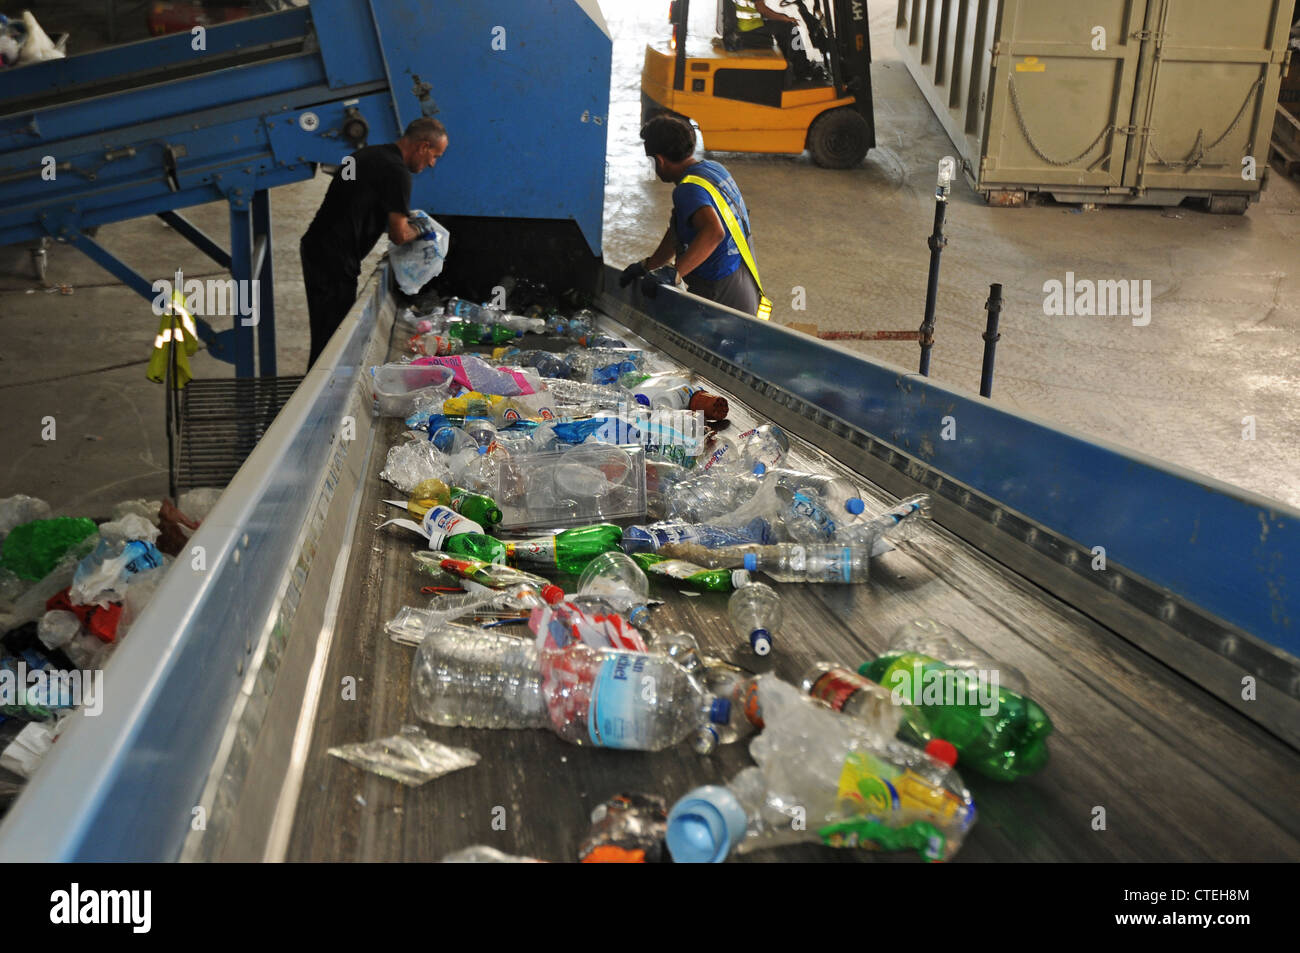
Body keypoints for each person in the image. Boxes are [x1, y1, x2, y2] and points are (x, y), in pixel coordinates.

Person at [300, 117, 448, 367]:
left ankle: (315, 394)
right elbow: (399, 235)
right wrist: (421, 229)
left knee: (327, 336)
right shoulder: (397, 171)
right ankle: (317, 401)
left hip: (321, 249)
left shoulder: (370, 155)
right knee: (331, 343)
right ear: (423, 146)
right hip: (333, 258)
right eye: (435, 155)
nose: (432, 163)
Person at [620, 115, 769, 319]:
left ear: (660, 160)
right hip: (742, 281)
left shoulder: (687, 189)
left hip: (721, 292)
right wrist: (649, 265)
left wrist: (674, 272)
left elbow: (714, 232)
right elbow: (678, 233)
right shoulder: (714, 169)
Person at [733, 0, 817, 82]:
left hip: (746, 25)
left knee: (782, 24)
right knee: (790, 27)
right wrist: (784, 18)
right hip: (753, 27)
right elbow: (763, 10)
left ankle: (789, 67)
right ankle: (802, 70)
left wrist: (782, 17)